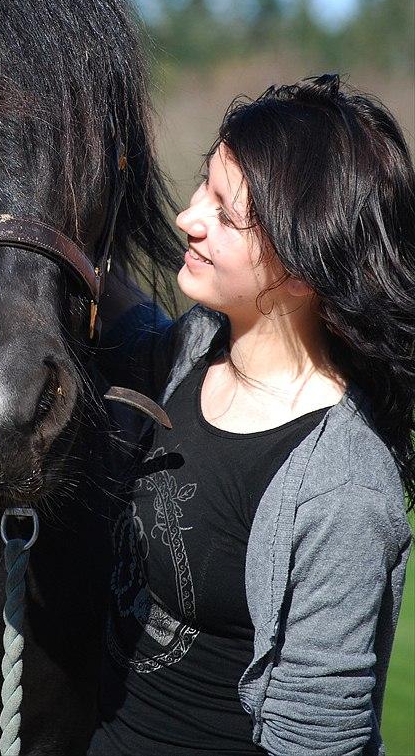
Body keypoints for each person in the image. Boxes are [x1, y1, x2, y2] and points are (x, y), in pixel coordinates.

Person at [89, 74, 414, 756]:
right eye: (204, 183)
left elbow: (317, 741)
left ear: (303, 265)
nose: (188, 217)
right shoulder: (187, 352)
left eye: (226, 212)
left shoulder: (343, 492)